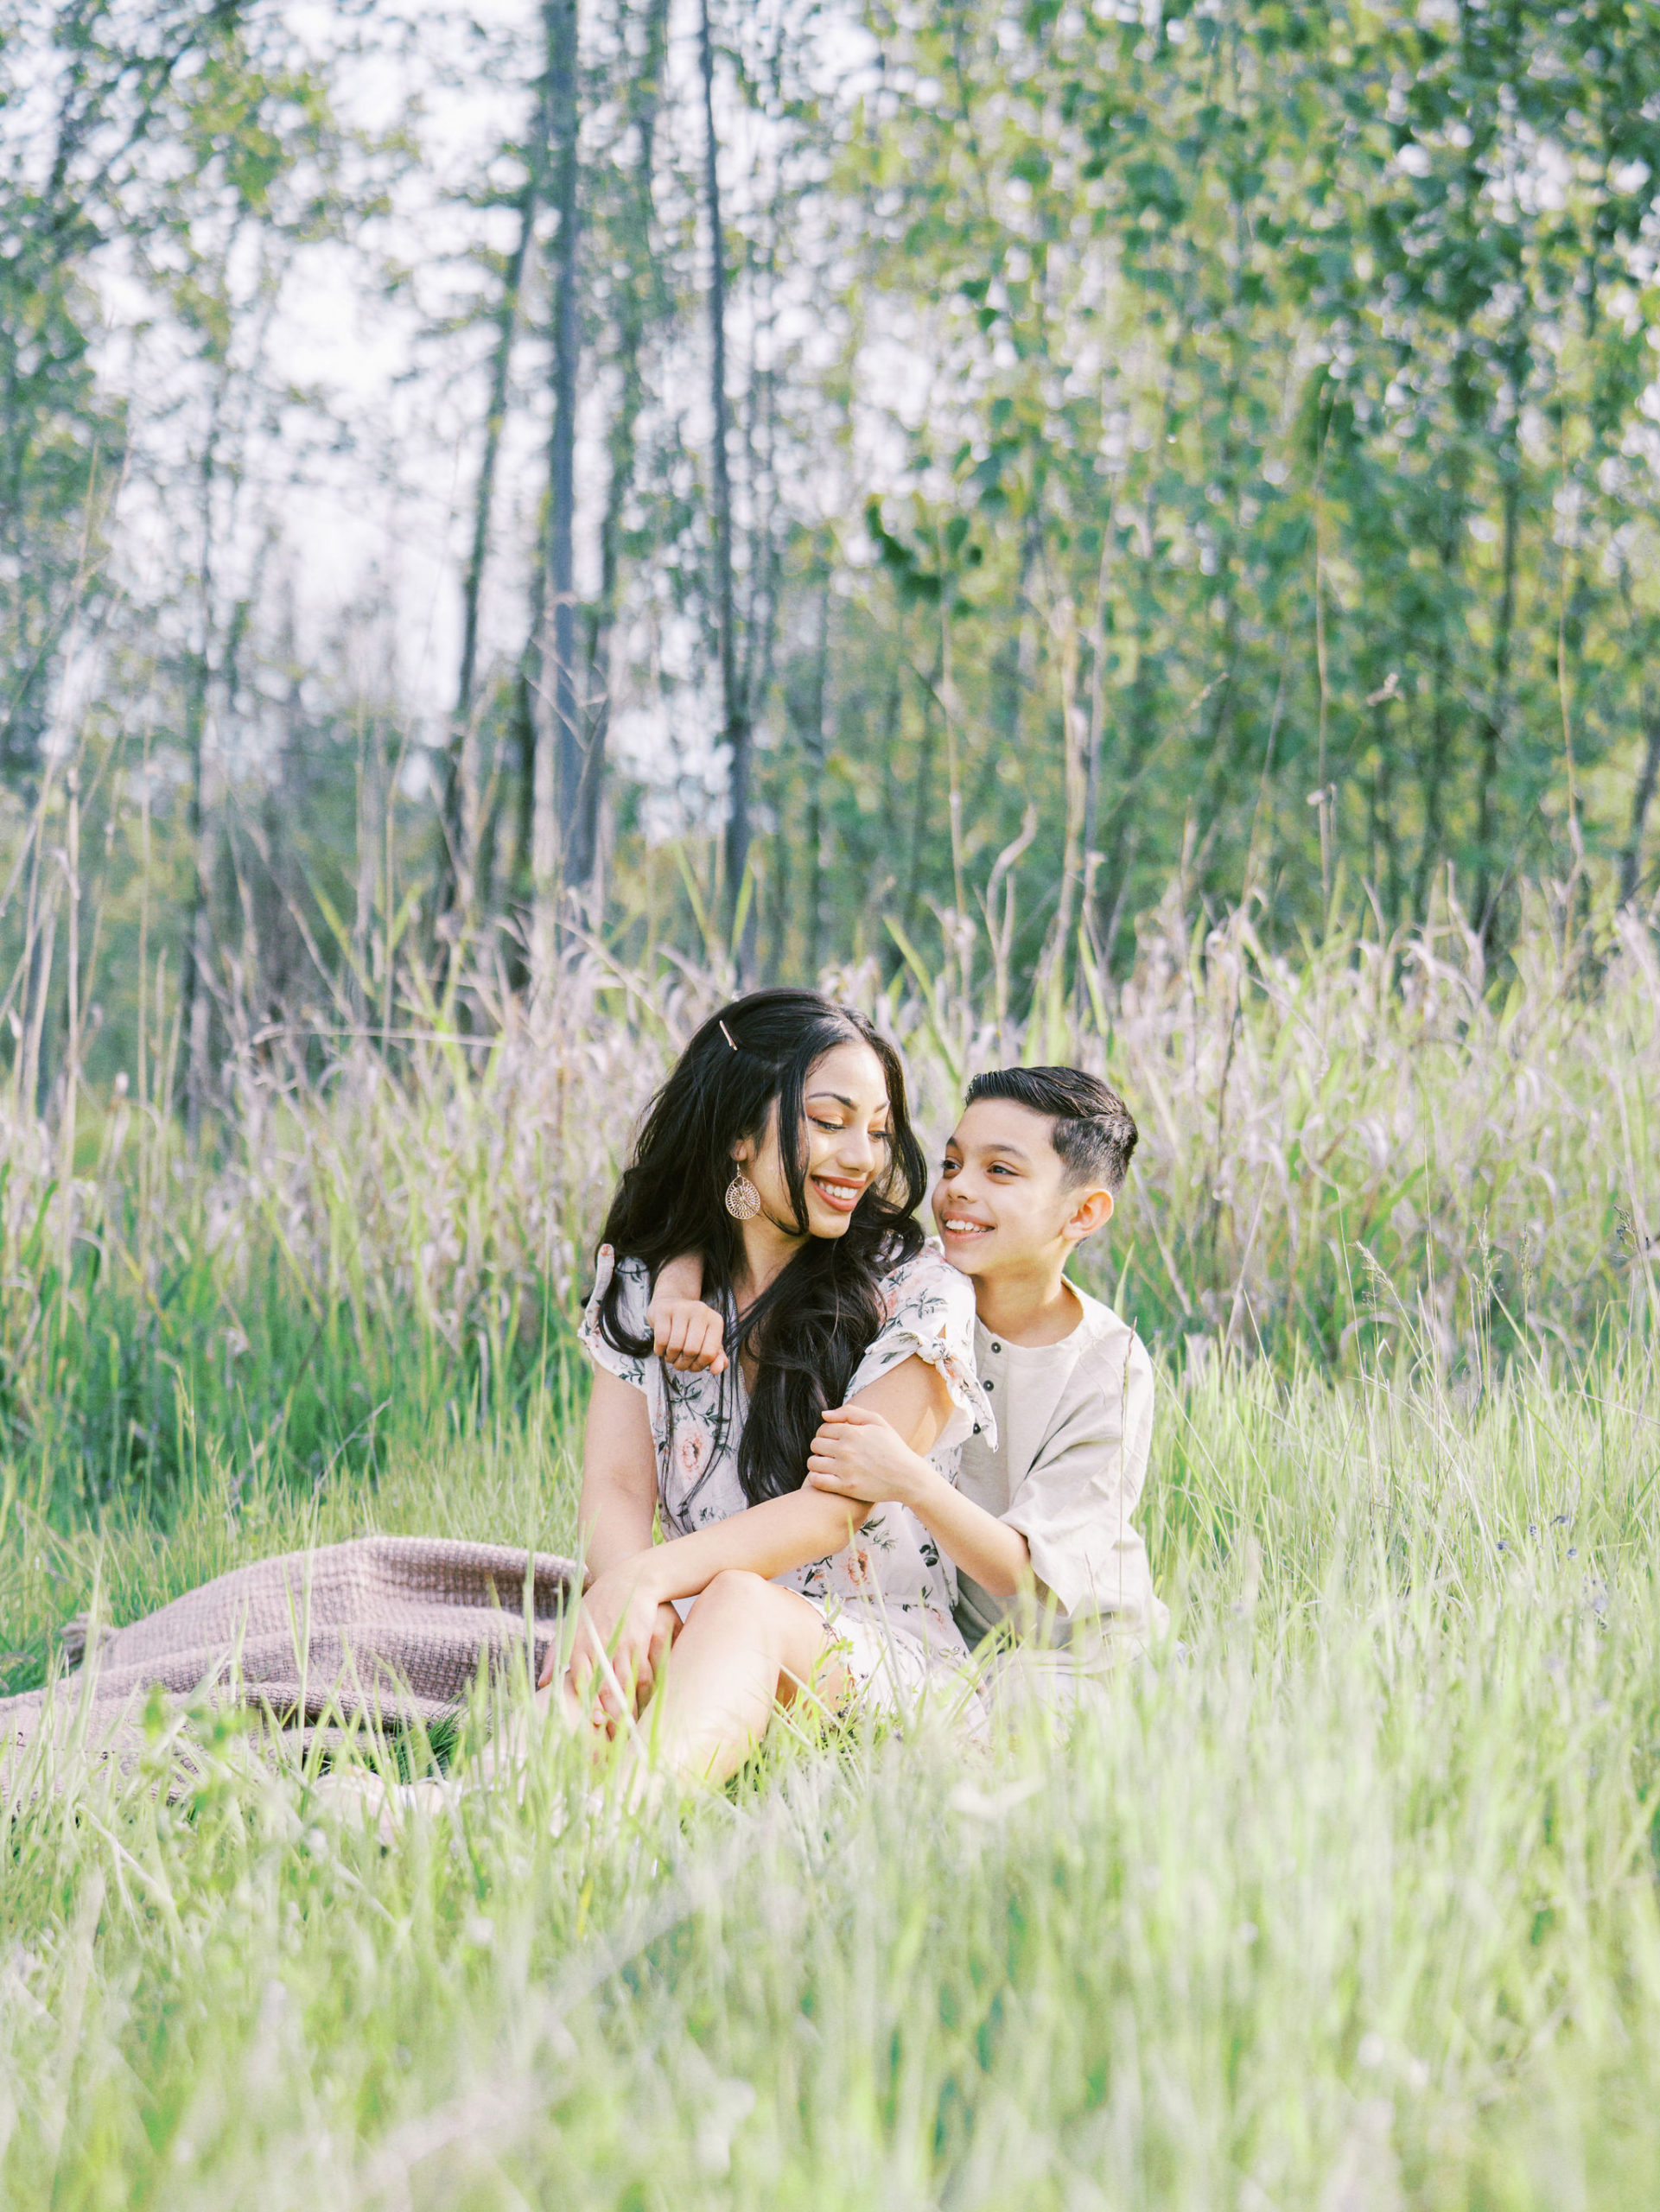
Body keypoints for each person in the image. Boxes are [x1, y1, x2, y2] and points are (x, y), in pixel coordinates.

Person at [542, 987, 992, 1797]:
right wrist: (626, 1597)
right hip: (702, 1610)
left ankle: (610, 1835)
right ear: (740, 1135)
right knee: (643, 1632)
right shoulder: (651, 1286)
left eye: (879, 1131)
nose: (863, 1156)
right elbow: (614, 1485)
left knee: (733, 1606)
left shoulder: (922, 1293)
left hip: (881, 1659)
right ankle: (468, 1809)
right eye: (831, 1120)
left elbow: (832, 1512)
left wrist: (649, 1581)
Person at [650, 1065, 1164, 1713]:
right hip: (940, 1638)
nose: (958, 1191)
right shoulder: (916, 1292)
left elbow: (1027, 1578)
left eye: (999, 1172)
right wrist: (676, 1283)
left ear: (1083, 1211)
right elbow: (754, 1222)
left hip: (1067, 1656)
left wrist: (908, 1479)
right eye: (951, 1165)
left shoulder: (1104, 1364)